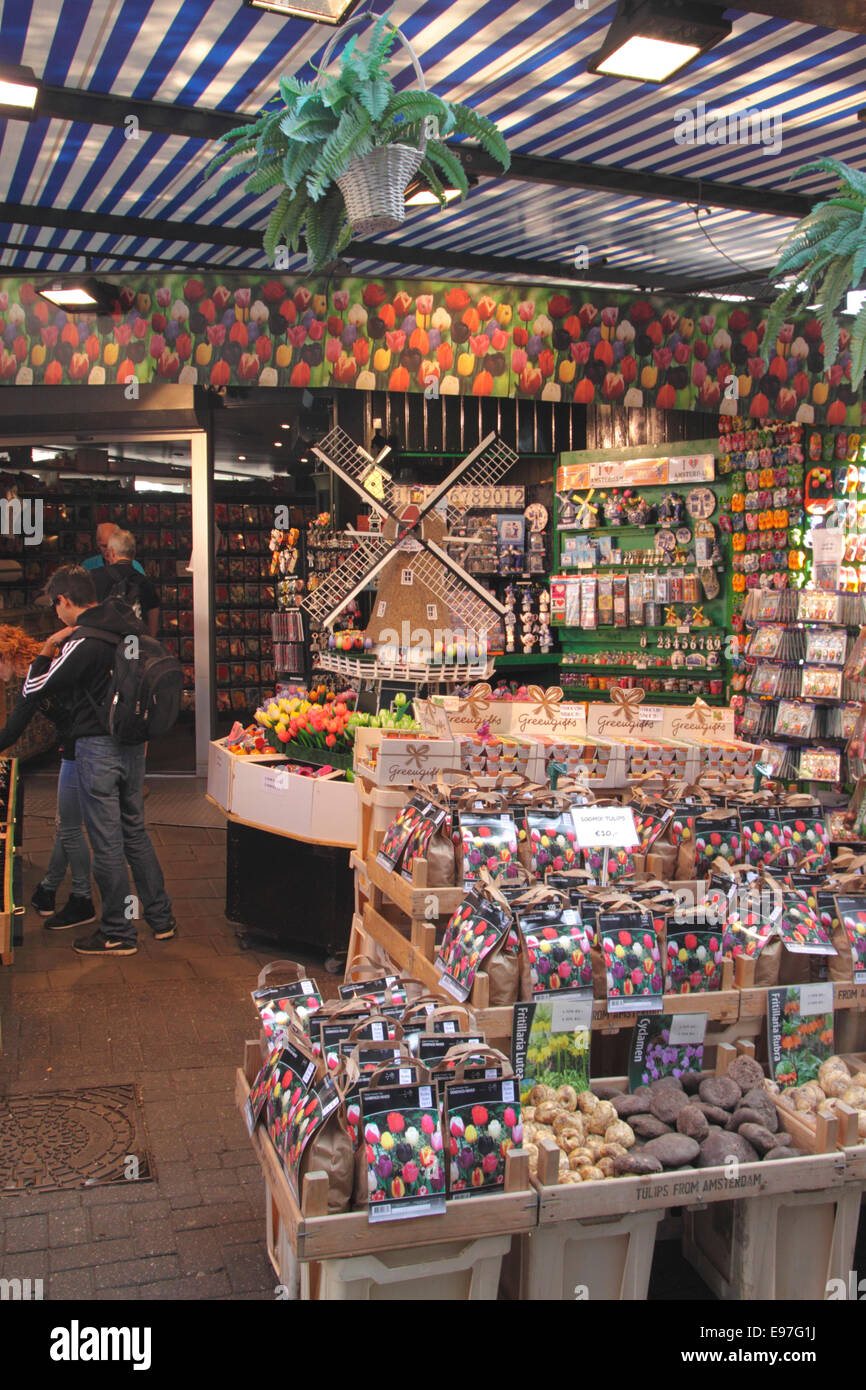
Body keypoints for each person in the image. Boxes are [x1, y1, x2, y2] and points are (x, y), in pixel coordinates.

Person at [22, 565, 175, 956]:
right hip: (132, 744)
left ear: (64, 601)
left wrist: (46, 649)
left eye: (55, 607)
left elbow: (35, 687)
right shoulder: (128, 625)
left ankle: (117, 933)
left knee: (106, 844)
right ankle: (160, 920)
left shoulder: (82, 640)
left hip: (97, 748)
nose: (56, 614)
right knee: (135, 832)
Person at [0, 626, 96, 930]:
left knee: (69, 828)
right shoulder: (48, 663)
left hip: (82, 749)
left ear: (5, 656)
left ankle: (83, 900)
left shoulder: (36, 676)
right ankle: (47, 891)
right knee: (64, 823)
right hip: (87, 745)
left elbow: (12, 731)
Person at [91, 529, 160, 639]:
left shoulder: (94, 577)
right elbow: (152, 625)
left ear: (112, 553)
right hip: (135, 649)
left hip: (106, 646)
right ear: (133, 554)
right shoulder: (146, 583)